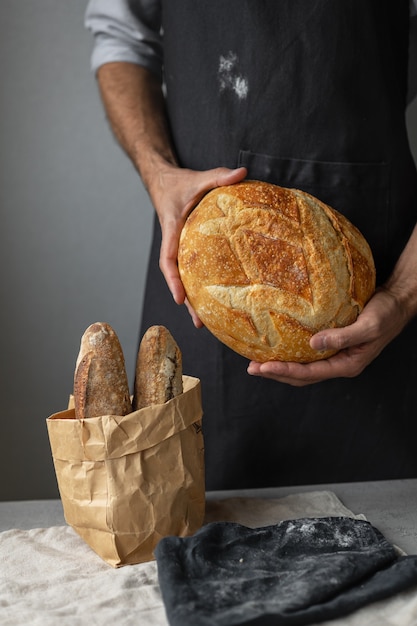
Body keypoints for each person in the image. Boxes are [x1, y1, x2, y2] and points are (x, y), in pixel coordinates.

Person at [85, 1, 417, 490]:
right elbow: (120, 40)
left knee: (386, 543)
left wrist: (406, 290)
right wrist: (159, 174)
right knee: (198, 529)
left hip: (388, 287)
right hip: (203, 276)